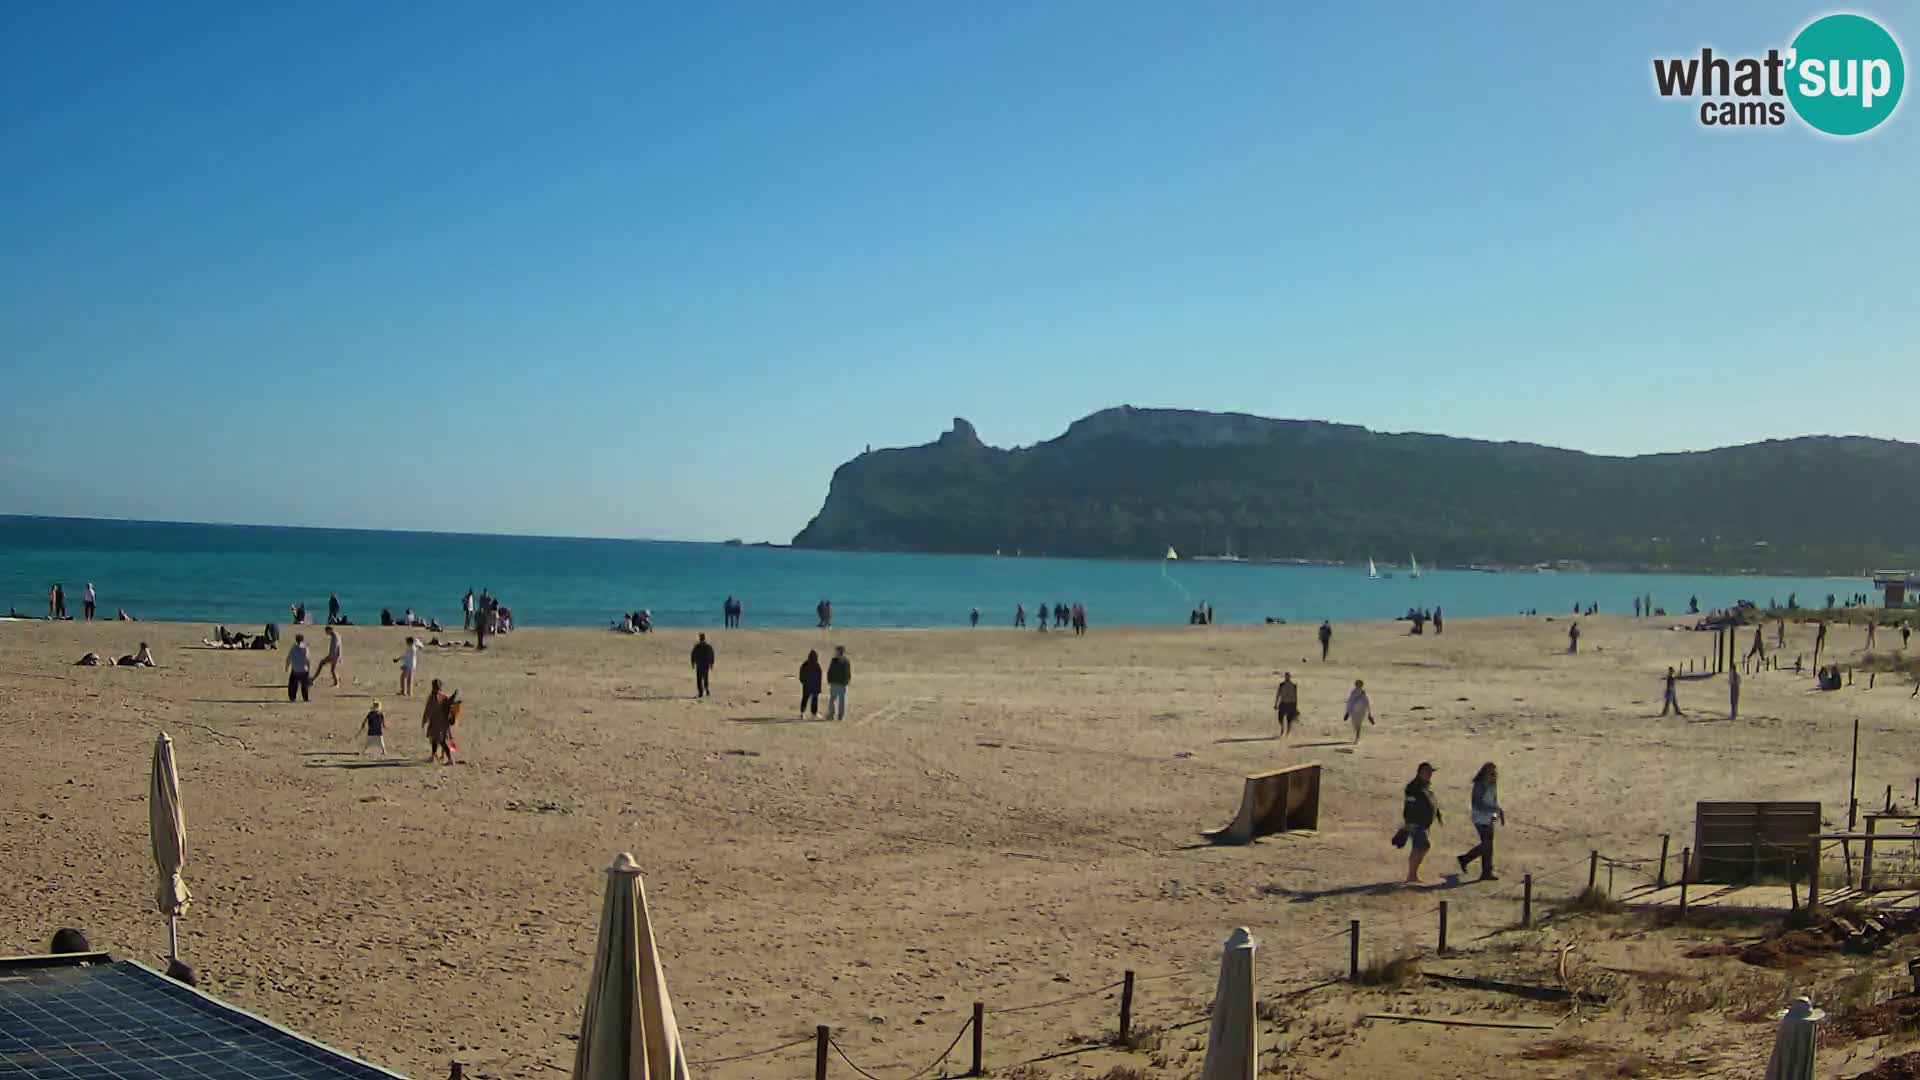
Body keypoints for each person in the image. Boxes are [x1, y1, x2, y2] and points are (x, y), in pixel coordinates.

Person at [1456, 763, 1504, 881]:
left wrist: (1495, 814)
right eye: (1492, 773)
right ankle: (1468, 861)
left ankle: (1484, 871)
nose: (1494, 775)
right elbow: (1477, 804)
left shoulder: (1493, 784)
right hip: (1479, 818)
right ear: (1484, 773)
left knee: (1488, 845)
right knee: (1487, 845)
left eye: (1495, 773)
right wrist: (1495, 810)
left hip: (1488, 817)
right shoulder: (1479, 785)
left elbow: (1493, 800)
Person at [1401, 762, 1442, 885]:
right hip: (1416, 824)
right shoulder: (1413, 787)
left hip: (1424, 824)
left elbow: (1432, 802)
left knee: (1420, 847)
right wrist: (1409, 823)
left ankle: (1412, 875)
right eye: (1427, 772)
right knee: (1422, 846)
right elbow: (1408, 807)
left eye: (1431, 772)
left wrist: (1438, 815)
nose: (1430, 775)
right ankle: (1411, 875)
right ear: (1420, 772)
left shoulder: (1425, 786)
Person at [422, 680, 455, 764]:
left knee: (441, 741)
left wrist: (425, 720)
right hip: (438, 722)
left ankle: (450, 759)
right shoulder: (443, 697)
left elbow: (428, 709)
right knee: (434, 739)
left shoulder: (437, 697)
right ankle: (433, 756)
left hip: (439, 723)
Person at [826, 645, 852, 720]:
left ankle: (839, 716)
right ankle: (833, 715)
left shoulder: (843, 661)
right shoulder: (837, 660)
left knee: (840, 701)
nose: (835, 652)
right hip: (836, 683)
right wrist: (829, 680)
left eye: (837, 651)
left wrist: (847, 681)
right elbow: (830, 671)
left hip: (840, 683)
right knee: (834, 700)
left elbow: (848, 672)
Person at [285, 634, 313, 702]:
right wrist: (308, 669)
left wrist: (287, 667)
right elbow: (307, 659)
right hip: (304, 669)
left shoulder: (293, 647)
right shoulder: (305, 648)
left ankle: (292, 698)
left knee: (293, 685)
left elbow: (289, 658)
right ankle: (305, 698)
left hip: (295, 669)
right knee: (304, 686)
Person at [798, 650, 823, 717]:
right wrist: (819, 687)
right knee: (813, 700)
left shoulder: (805, 664)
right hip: (813, 686)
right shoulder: (816, 665)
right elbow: (819, 677)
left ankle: (803, 713)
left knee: (805, 699)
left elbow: (801, 676)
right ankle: (813, 713)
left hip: (807, 686)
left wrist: (804, 683)